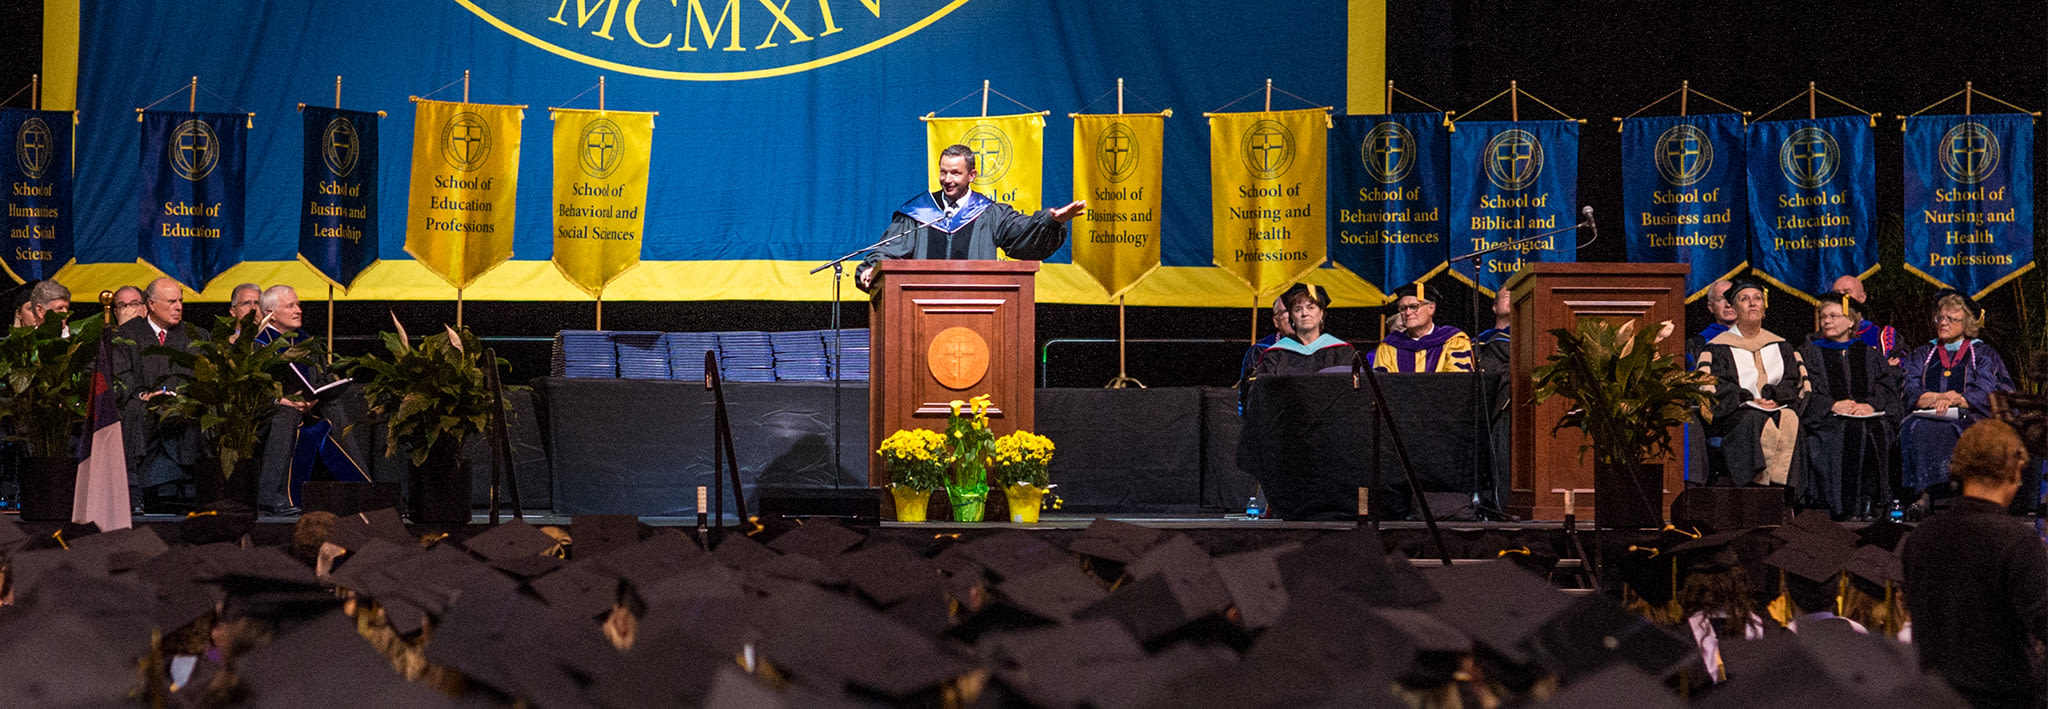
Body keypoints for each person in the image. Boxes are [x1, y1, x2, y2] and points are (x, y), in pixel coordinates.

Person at [1903, 419, 2048, 707]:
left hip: (1933, 697)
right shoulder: (2018, 542)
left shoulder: (1920, 538)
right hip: (2000, 698)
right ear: (2014, 470)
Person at [855, 144, 1084, 290]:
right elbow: (888, 249)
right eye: (943, 172)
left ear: (971, 175)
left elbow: (1023, 236)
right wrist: (871, 269)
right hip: (920, 305)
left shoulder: (990, 213)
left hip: (979, 306)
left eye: (955, 173)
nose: (947, 179)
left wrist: (1051, 222)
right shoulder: (918, 212)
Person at [251, 286, 370, 516]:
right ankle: (271, 496)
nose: (298, 310)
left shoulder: (306, 341)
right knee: (286, 414)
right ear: (271, 313)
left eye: (297, 304)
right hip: (269, 414)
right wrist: (281, 401)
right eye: (290, 306)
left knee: (334, 407)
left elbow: (321, 377)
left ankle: (363, 487)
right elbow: (251, 389)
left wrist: (318, 395)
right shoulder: (260, 344)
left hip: (307, 409)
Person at [1899, 289, 2015, 509]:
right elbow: (1909, 388)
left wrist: (1958, 399)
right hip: (1926, 414)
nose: (1944, 323)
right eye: (1940, 317)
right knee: (1914, 426)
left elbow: (1988, 389)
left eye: (1952, 319)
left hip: (1969, 415)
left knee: (1948, 429)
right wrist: (1937, 398)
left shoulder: (1982, 353)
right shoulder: (1924, 353)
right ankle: (1922, 494)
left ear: (1967, 323)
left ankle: (1949, 493)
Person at [1695, 277, 1809, 488]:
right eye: (1744, 299)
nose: (1753, 302)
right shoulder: (1718, 348)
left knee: (1790, 419)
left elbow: (1792, 380)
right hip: (1737, 412)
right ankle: (1755, 491)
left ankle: (1785, 496)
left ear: (1764, 308)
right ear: (1734, 309)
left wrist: (1774, 397)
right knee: (1754, 419)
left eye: (1757, 298)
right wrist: (1748, 399)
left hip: (1776, 406)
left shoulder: (1782, 346)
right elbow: (1715, 385)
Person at [1800, 294, 1901, 520]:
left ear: (1851, 321)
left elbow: (1886, 390)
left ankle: (1872, 502)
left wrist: (1869, 405)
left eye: (1834, 316)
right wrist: (1832, 404)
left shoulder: (1868, 353)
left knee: (1878, 429)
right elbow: (1805, 393)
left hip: (1867, 416)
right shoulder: (1809, 354)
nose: (1827, 321)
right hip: (1829, 418)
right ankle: (1840, 506)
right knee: (1842, 432)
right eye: (1823, 316)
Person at [110, 277, 205, 512]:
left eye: (181, 301)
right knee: (134, 410)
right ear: (151, 304)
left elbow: (204, 377)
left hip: (183, 403)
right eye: (171, 301)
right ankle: (135, 491)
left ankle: (198, 492)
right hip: (144, 404)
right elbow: (122, 376)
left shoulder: (195, 335)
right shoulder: (127, 335)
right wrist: (144, 396)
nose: (179, 307)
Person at [1248, 282, 1354, 379]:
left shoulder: (1341, 351)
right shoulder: (1276, 354)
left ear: (1321, 313)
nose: (1305, 313)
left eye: (1311, 308)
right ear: (1292, 317)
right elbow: (1262, 392)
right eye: (1298, 309)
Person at [1370, 282, 1473, 373]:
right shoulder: (1389, 346)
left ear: (1431, 308)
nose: (1408, 312)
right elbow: (1384, 387)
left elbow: (1458, 384)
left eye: (1414, 307)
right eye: (1403, 308)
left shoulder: (1453, 341)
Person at [1830, 275, 1901, 365]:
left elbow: (1897, 370)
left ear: (1862, 297)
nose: (1841, 298)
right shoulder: (1821, 339)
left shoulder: (1884, 337)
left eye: (1847, 292)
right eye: (1837, 293)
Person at [1686, 279, 1738, 365]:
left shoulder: (1755, 338)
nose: (1728, 305)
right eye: (1720, 299)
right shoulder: (1697, 344)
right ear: (1710, 307)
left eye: (1731, 298)